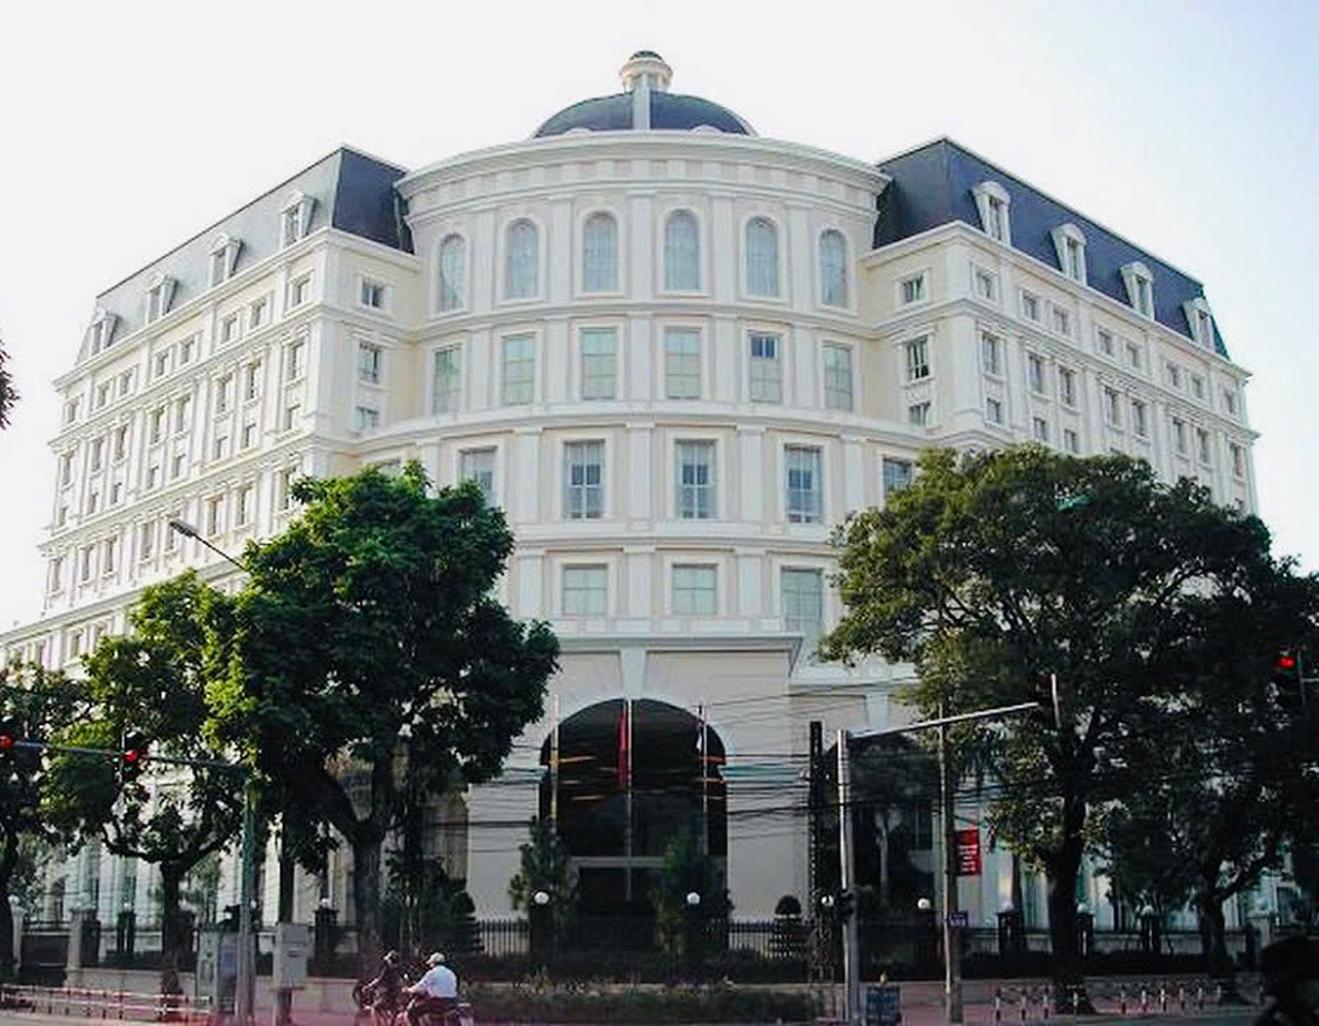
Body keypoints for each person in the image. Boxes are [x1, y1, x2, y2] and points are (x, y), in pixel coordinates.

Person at [404, 952, 459, 1026]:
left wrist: (408, 990)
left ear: (433, 963)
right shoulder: (451, 973)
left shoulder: (432, 973)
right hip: (452, 1002)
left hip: (437, 1003)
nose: (430, 965)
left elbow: (421, 987)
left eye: (430, 964)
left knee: (411, 1012)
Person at [363, 950, 407, 1022]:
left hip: (389, 993)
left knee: (375, 1008)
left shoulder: (387, 970)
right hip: (398, 993)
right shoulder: (400, 969)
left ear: (390, 961)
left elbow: (379, 980)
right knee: (394, 1009)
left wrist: (368, 986)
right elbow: (404, 979)